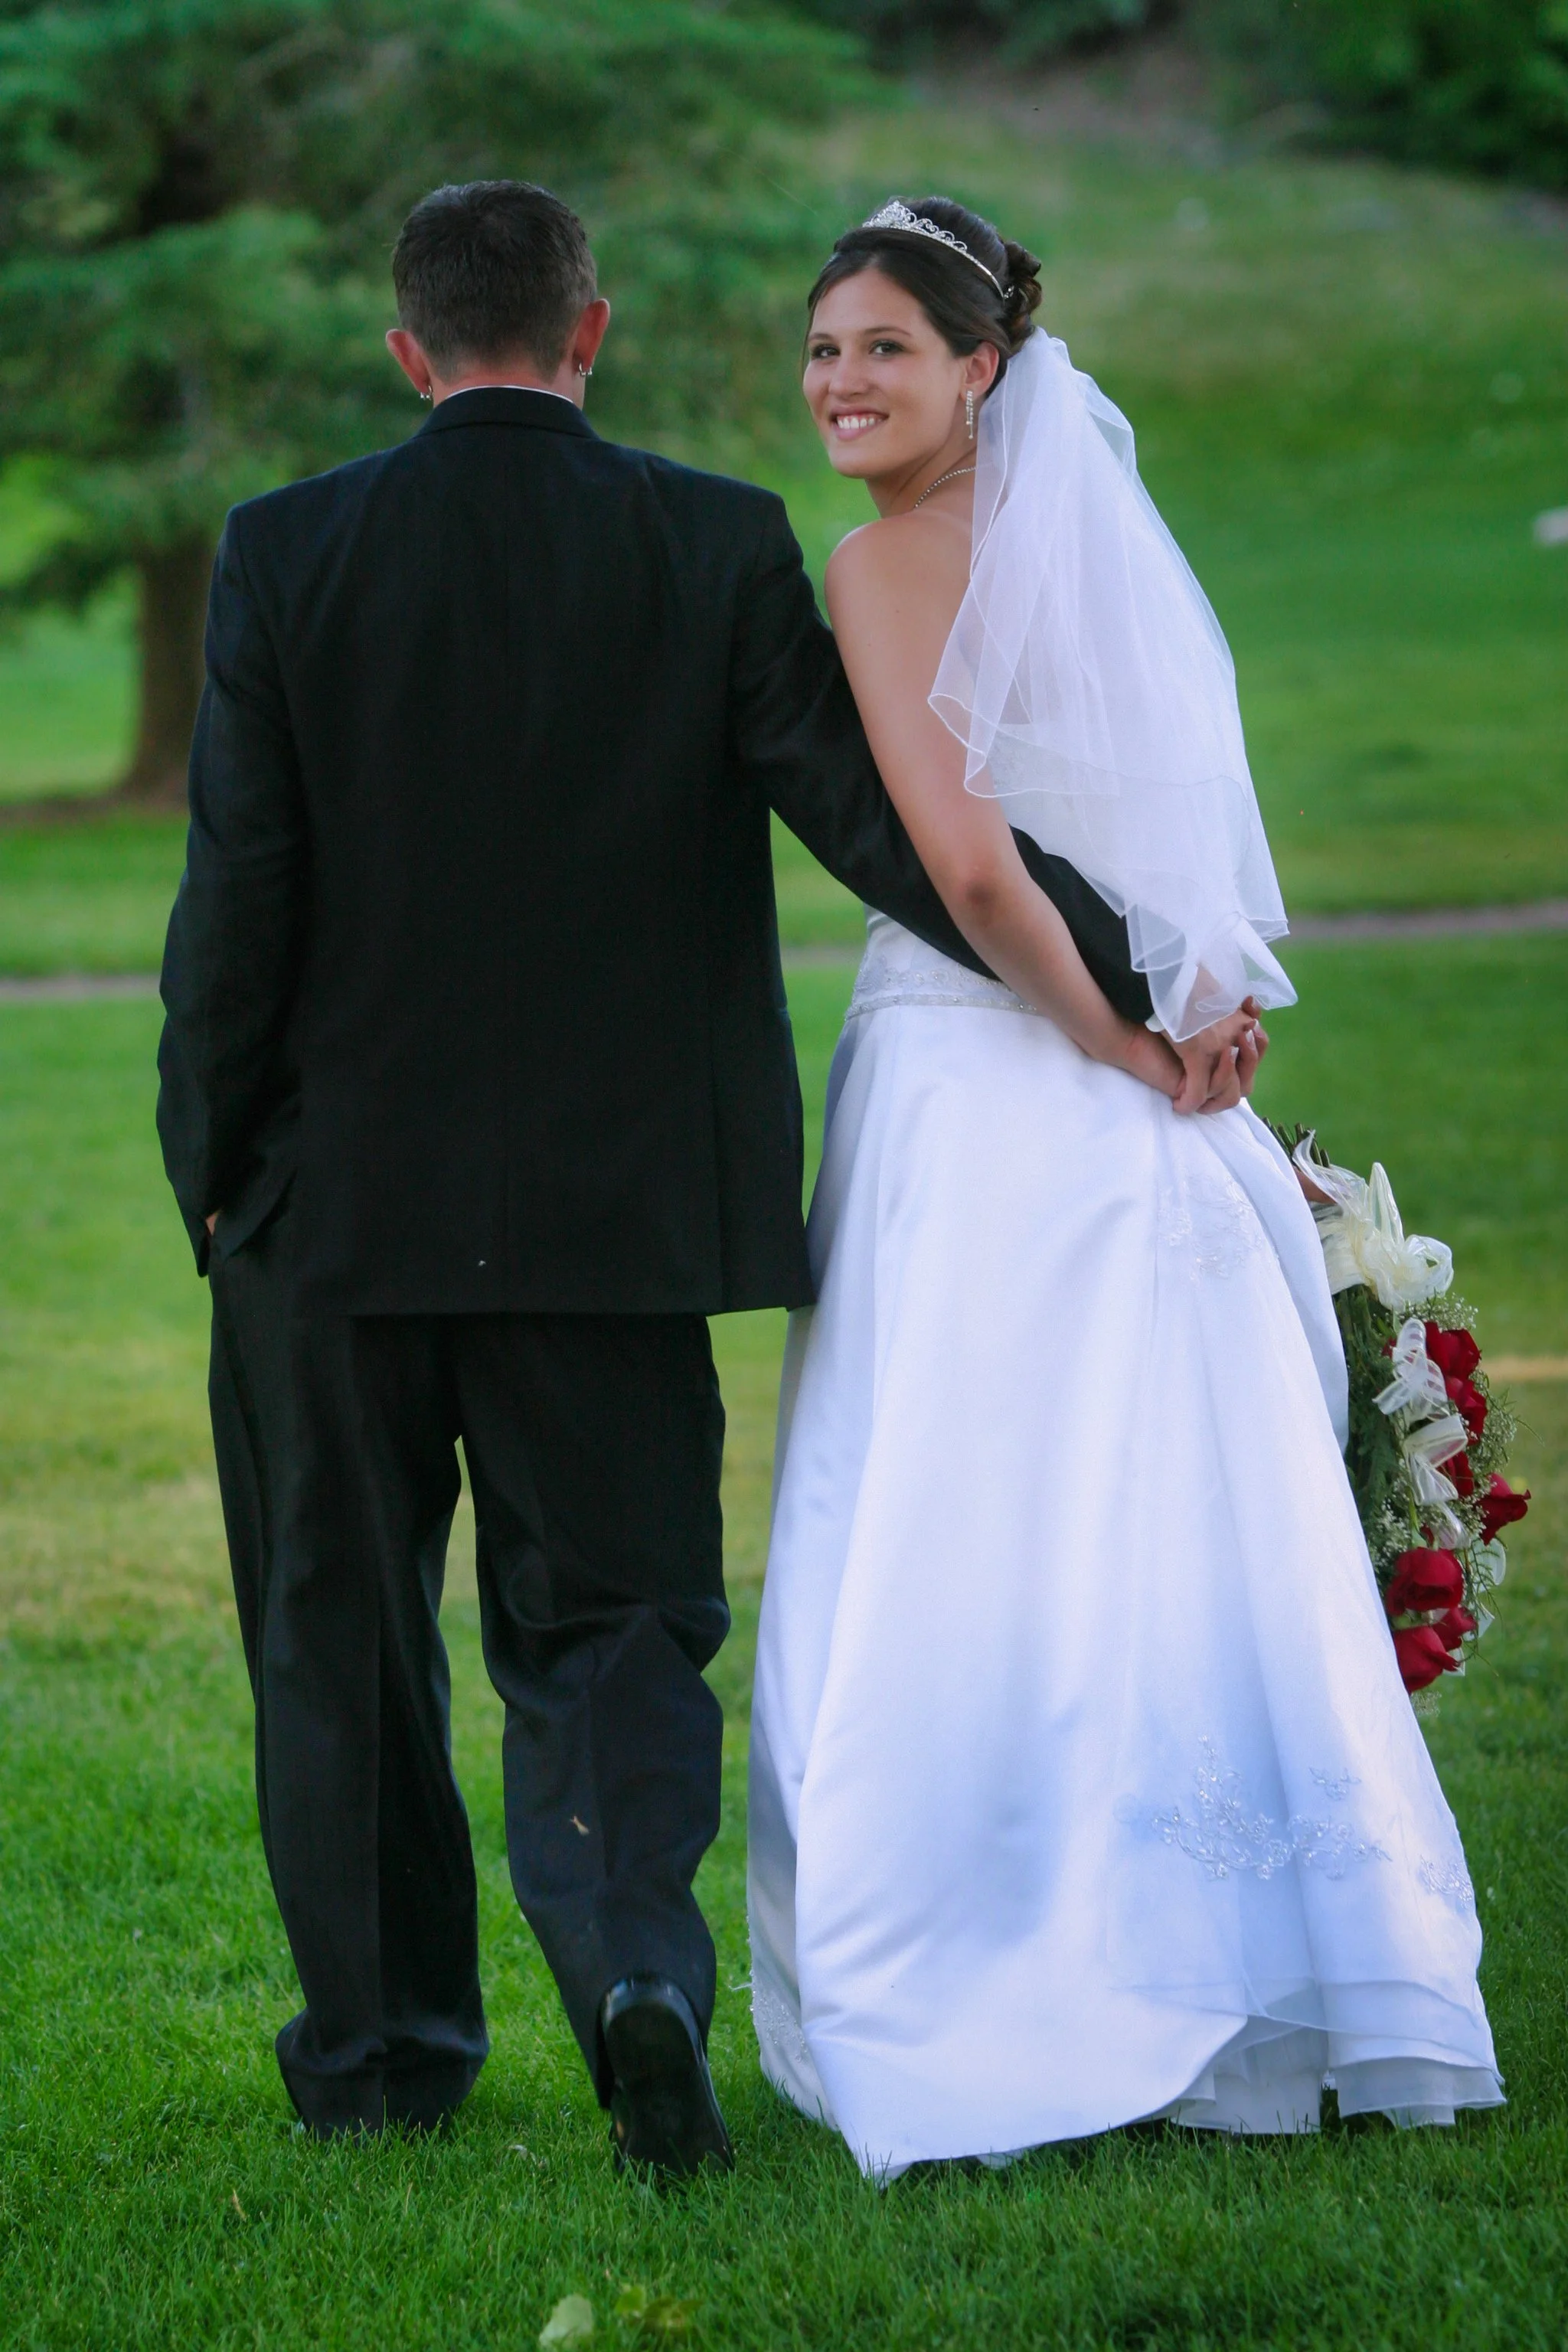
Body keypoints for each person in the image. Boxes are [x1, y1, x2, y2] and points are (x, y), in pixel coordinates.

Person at [155, 180, 1171, 2172]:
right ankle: (636, 1975)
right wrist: (1145, 970)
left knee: (337, 1640)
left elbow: (236, 910)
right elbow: (882, 831)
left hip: (329, 1221)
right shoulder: (710, 542)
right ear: (590, 331)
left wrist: (215, 1179)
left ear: (410, 350)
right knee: (614, 1632)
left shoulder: (284, 552)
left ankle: (383, 2063)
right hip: (622, 1222)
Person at [747, 198, 1503, 2177]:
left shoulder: (888, 561)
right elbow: (1188, 829)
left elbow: (976, 871)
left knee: (962, 1505)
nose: (842, 381)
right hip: (1150, 1097)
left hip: (998, 1075)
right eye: (826, 347)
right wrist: (1194, 1025)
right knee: (1177, 1518)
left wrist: (1124, 1048)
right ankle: (1262, 1972)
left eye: (886, 347)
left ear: (982, 363)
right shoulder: (1103, 544)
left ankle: (1014, 1979)